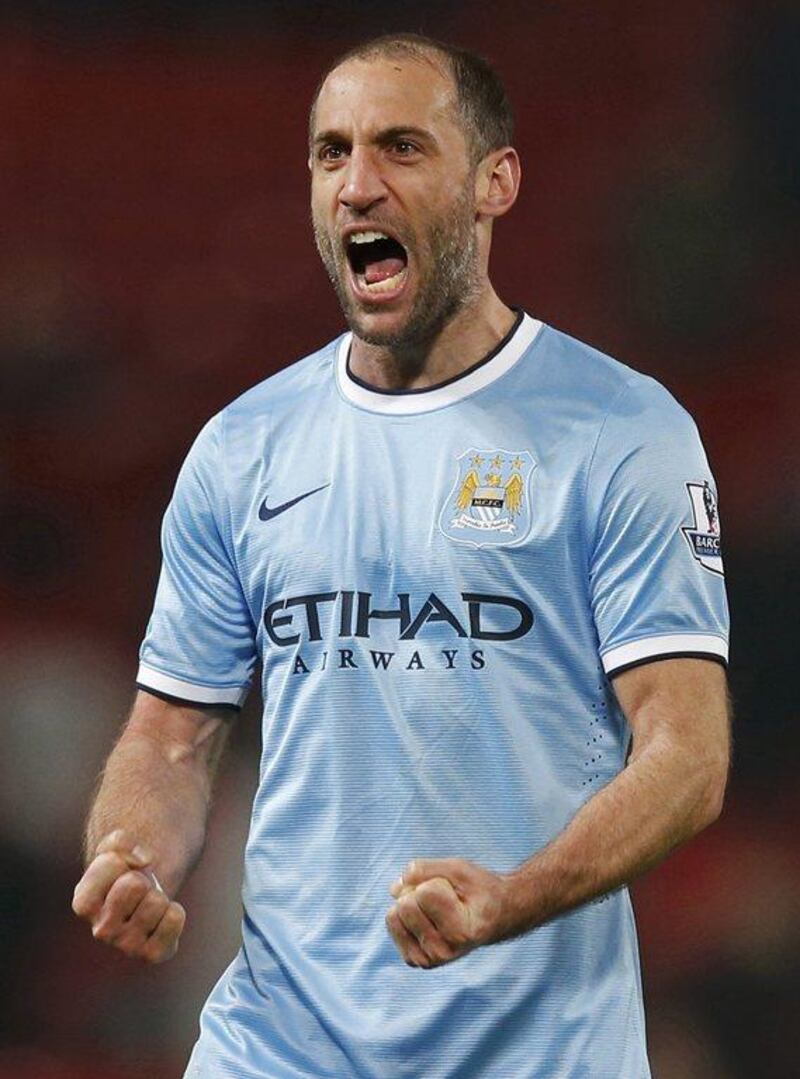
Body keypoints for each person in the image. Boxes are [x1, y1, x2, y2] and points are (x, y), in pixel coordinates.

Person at [72, 33, 731, 1078]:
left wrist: (511, 898)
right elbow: (171, 736)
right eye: (330, 153)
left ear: (492, 182)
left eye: (401, 148)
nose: (357, 185)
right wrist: (135, 851)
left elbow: (686, 757)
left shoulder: (620, 431)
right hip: (275, 1046)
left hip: (533, 1051)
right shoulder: (242, 446)